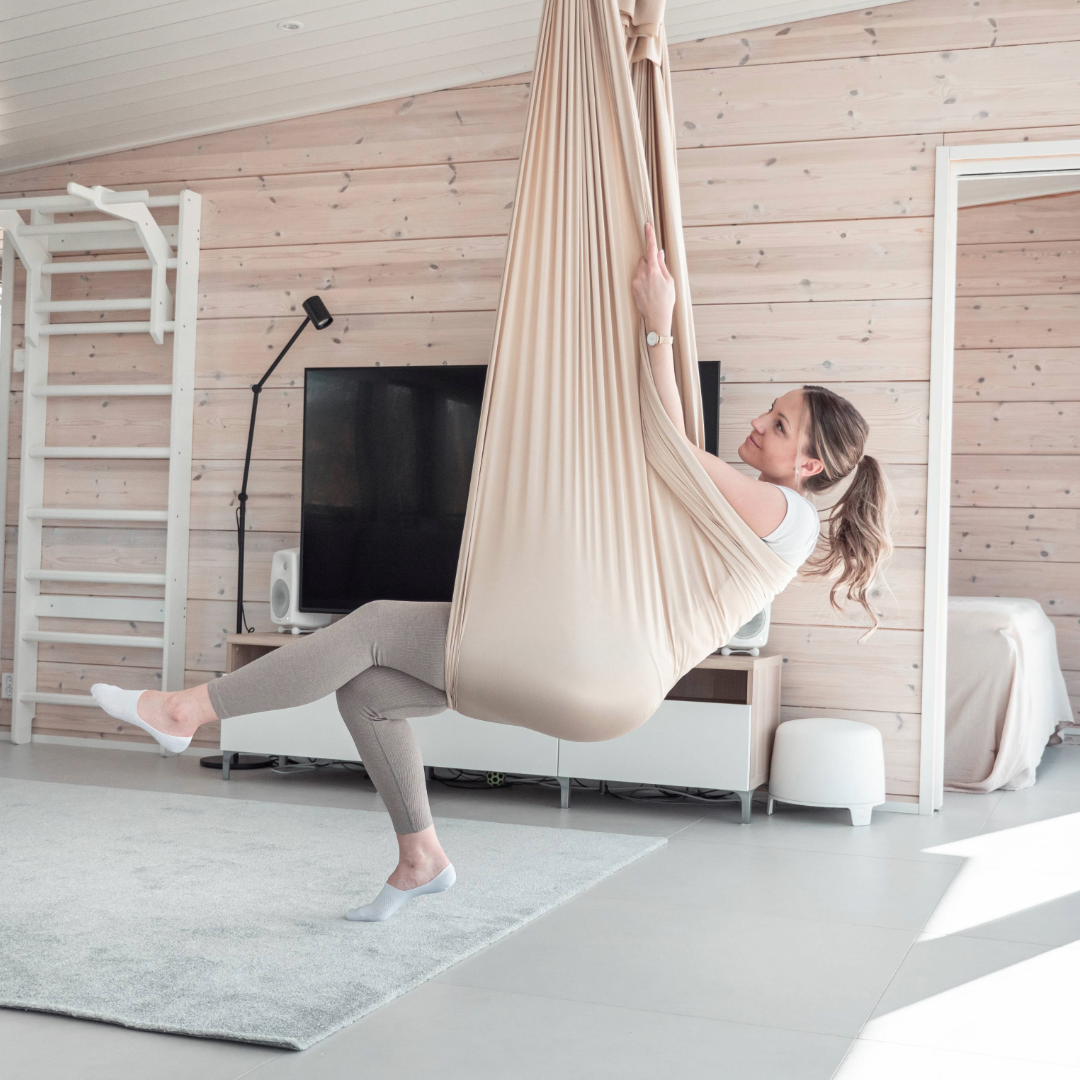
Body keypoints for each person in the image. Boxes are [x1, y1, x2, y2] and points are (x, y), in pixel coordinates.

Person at [91, 221, 892, 922]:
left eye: (778, 423)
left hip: (588, 667)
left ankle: (187, 709)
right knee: (369, 693)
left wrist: (657, 325)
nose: (758, 421)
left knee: (369, 623)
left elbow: (665, 446)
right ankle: (420, 857)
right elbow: (673, 448)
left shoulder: (786, 514)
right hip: (602, 683)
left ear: (811, 462)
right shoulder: (766, 511)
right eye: (769, 410)